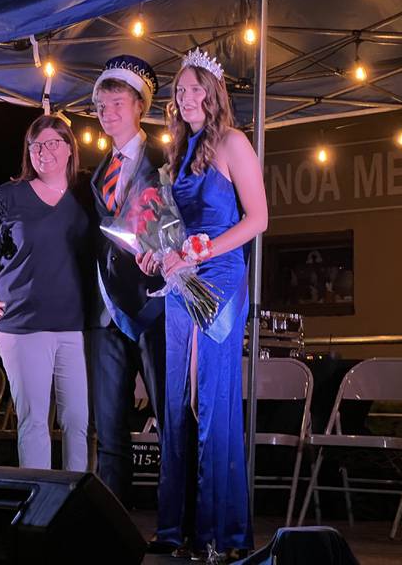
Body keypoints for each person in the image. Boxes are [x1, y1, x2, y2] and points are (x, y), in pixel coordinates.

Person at [138, 48, 268, 558]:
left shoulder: (234, 142)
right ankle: (176, 530)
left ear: (214, 94)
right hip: (181, 278)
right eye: (180, 90)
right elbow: (168, 225)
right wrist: (158, 253)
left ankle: (223, 536)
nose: (186, 96)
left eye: (195, 88)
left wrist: (205, 247)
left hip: (219, 274)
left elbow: (258, 219)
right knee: (177, 403)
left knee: (210, 400)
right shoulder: (177, 153)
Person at [0, 114, 90, 472]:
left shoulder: (84, 196)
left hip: (74, 327)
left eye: (52, 143)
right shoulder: (8, 196)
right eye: (36, 145)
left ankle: (75, 505)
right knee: (34, 423)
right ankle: (38, 507)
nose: (44, 152)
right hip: (23, 326)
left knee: (78, 422)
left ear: (69, 149)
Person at [88, 55, 166, 505]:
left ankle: (176, 524)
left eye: (117, 103)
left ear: (140, 106)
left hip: (154, 307)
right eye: (100, 106)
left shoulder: (164, 161)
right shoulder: (97, 172)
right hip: (104, 312)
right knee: (110, 424)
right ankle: (109, 524)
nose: (107, 113)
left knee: (169, 419)